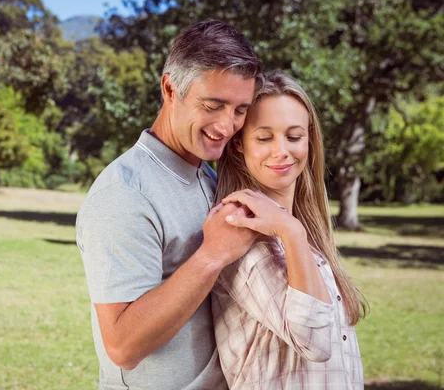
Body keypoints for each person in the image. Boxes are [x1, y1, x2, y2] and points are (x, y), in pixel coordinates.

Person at [76, 20, 262, 389]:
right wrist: (212, 255)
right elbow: (123, 345)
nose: (227, 126)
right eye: (213, 105)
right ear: (169, 88)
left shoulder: (208, 177)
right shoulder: (124, 193)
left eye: (241, 110)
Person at [212, 71, 368, 389]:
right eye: (264, 137)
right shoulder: (239, 232)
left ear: (310, 140)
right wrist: (291, 231)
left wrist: (293, 230)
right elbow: (315, 341)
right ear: (239, 144)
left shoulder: (302, 231)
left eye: (294, 137)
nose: (281, 151)